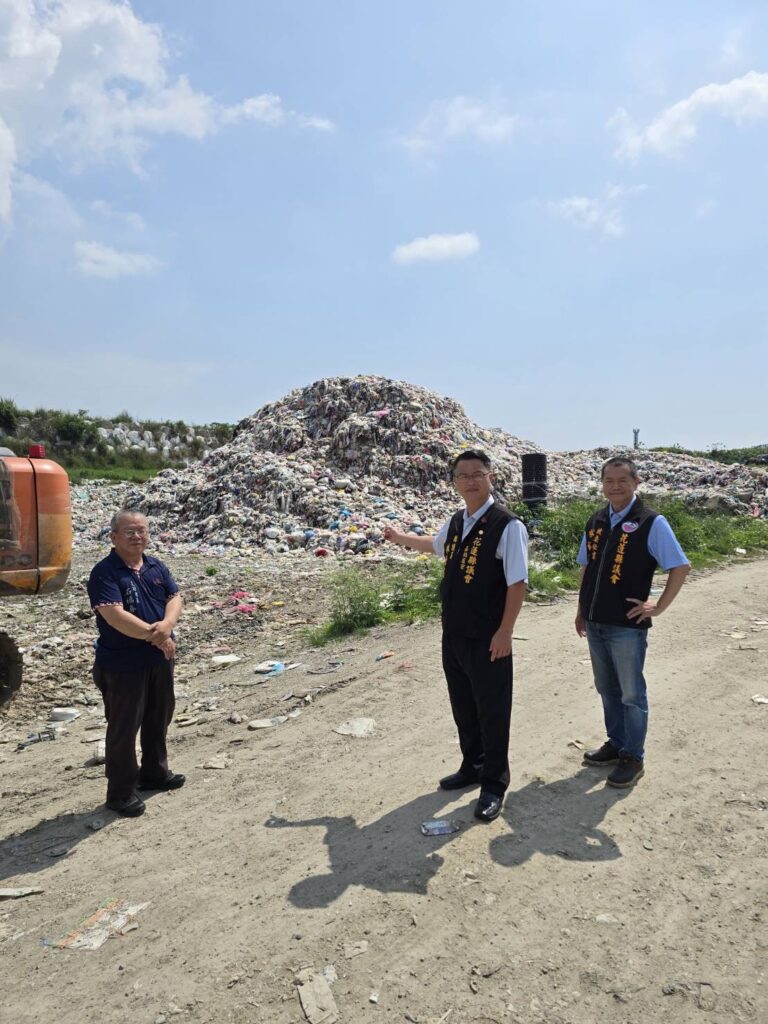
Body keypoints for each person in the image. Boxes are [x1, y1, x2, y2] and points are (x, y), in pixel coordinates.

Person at [384, 450, 528, 822]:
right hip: (455, 633)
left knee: (492, 711)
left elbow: (517, 582)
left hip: (489, 636)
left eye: (477, 474)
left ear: (490, 477)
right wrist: (399, 537)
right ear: (454, 482)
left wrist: (505, 632)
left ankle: (494, 784)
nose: (470, 481)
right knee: (463, 705)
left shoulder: (507, 525)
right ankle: (473, 766)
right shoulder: (457, 521)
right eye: (462, 476)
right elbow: (434, 545)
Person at [575, 457, 689, 788]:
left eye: (622, 480)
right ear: (602, 484)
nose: (615, 486)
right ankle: (616, 743)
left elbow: (679, 566)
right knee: (606, 688)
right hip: (595, 621)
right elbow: (586, 566)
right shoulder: (596, 520)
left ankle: (633, 756)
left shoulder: (651, 522)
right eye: (608, 480)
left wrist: (658, 606)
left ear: (636, 482)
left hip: (626, 625)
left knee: (631, 693)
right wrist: (581, 609)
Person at [87, 510, 184, 817]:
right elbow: (115, 616)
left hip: (158, 660)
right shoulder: (105, 572)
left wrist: (167, 625)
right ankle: (120, 793)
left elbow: (175, 597)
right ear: (113, 537)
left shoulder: (155, 565)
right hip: (123, 663)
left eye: (142, 531)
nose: (137, 536)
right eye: (129, 531)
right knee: (124, 729)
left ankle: (154, 773)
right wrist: (159, 637)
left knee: (159, 717)